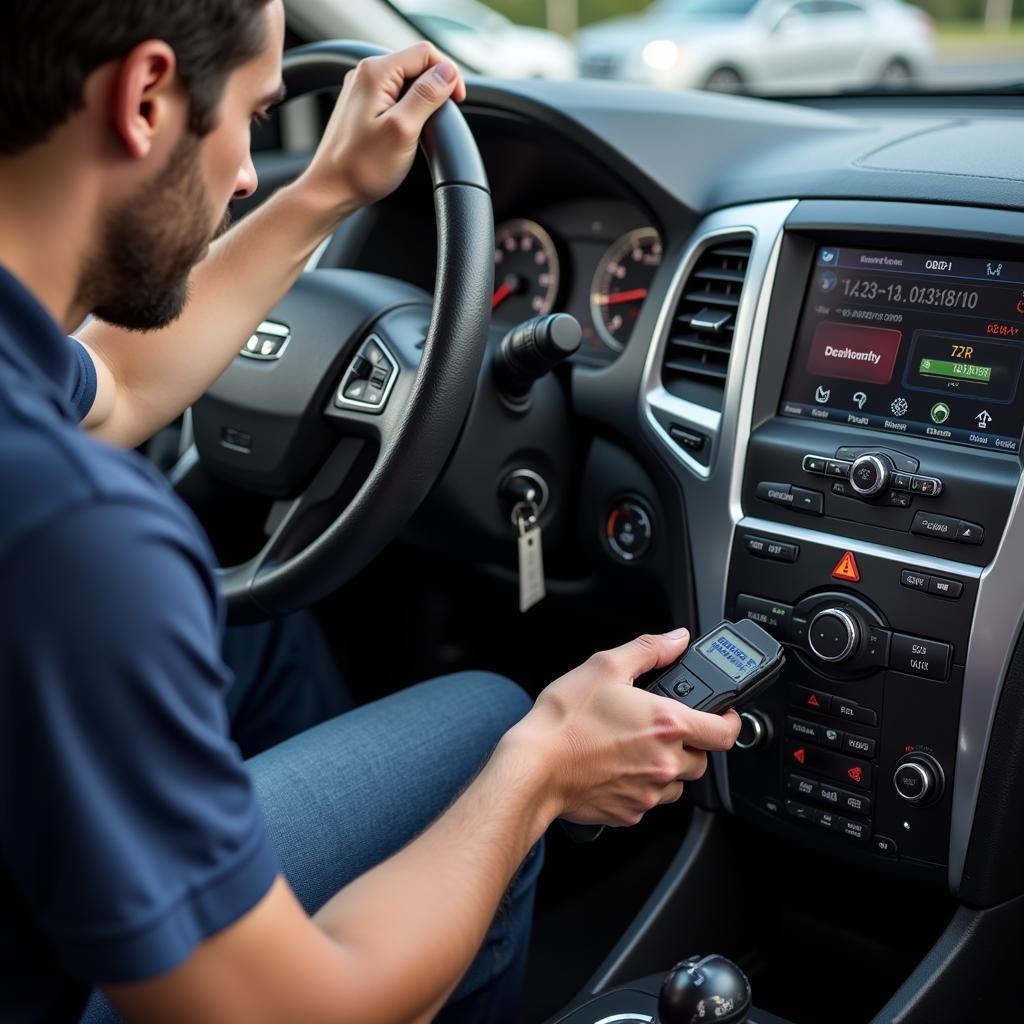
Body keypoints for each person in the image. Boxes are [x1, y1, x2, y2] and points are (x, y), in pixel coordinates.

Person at [0, 2, 742, 1022]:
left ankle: (217, 876)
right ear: (145, 98)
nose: (250, 171)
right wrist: (540, 772)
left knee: (261, 635)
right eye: (256, 120)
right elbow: (298, 1012)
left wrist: (330, 189)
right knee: (486, 726)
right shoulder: (82, 538)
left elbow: (117, 387)